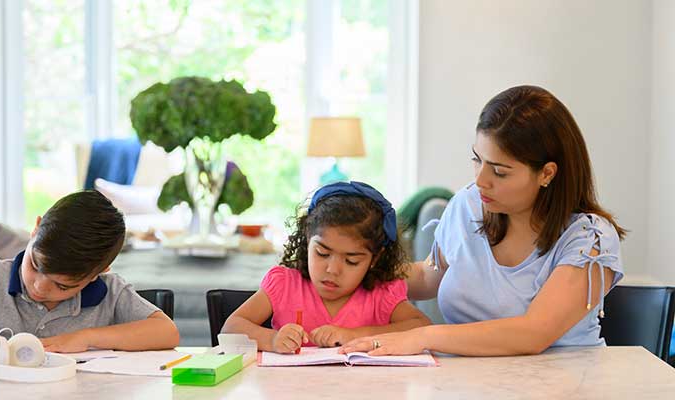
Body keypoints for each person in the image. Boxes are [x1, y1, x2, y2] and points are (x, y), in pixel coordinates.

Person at [342, 85, 626, 357]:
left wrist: (421, 337)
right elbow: (428, 276)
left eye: (499, 171)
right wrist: (355, 266)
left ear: (547, 173)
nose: (480, 181)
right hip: (468, 383)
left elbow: (534, 333)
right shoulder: (468, 206)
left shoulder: (589, 239)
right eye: (477, 160)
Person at [0, 190, 179, 354]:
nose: (39, 287)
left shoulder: (109, 291)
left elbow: (167, 332)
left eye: (62, 286)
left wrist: (84, 338)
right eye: (35, 266)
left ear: (99, 272)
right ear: (34, 229)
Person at [222, 181, 431, 354]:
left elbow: (422, 327)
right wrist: (273, 339)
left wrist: (354, 335)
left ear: (375, 259)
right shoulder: (284, 284)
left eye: (351, 261)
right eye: (322, 253)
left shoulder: (382, 292)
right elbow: (231, 328)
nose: (332, 269)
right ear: (307, 239)